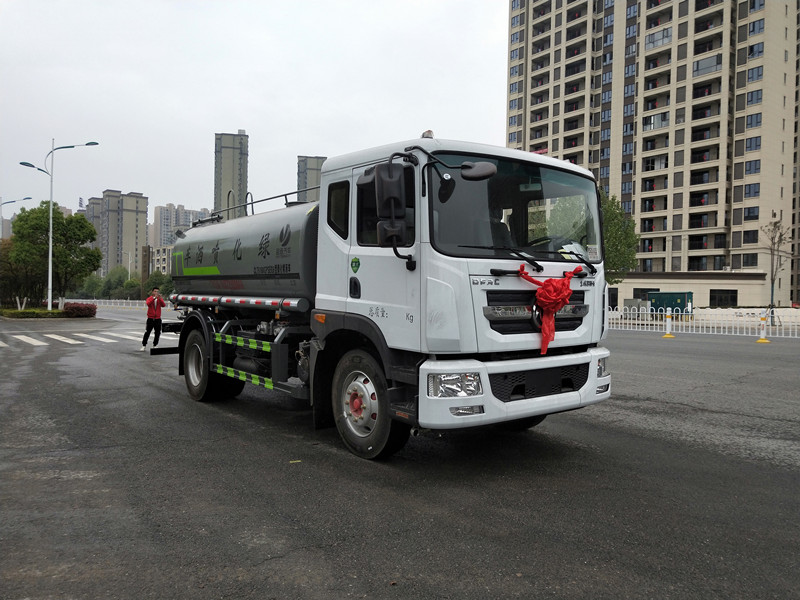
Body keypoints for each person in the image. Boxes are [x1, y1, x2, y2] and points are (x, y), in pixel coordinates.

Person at [140, 287, 166, 351]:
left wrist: (160, 298)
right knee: (147, 332)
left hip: (157, 318)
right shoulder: (149, 298)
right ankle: (144, 345)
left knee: (157, 333)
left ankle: (155, 345)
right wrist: (154, 298)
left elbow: (163, 305)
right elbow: (148, 303)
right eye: (155, 291)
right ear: (152, 292)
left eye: (157, 291)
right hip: (150, 318)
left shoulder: (159, 299)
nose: (156, 293)